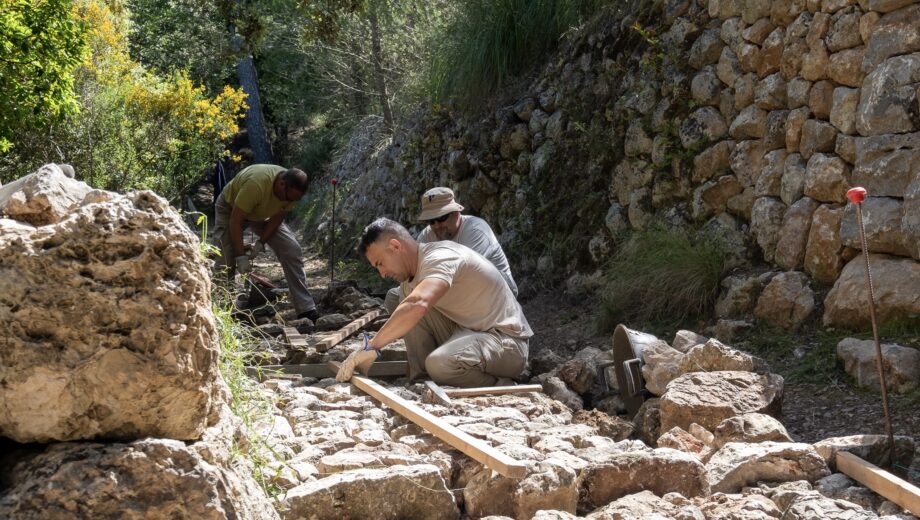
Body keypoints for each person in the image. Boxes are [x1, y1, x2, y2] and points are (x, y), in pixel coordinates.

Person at [336, 218, 531, 387]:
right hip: (469, 333)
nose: (382, 273)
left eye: (380, 263)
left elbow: (418, 303)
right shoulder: (409, 281)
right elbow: (411, 309)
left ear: (395, 246)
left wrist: (372, 347)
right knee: (405, 305)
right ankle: (422, 379)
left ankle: (499, 384)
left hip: (507, 343)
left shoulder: (440, 256)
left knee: (439, 361)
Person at [211, 163, 320, 321]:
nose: (290, 202)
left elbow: (278, 217)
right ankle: (221, 314)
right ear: (282, 183)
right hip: (230, 209)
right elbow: (236, 221)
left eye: (294, 200)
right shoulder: (256, 184)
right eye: (288, 198)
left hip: (262, 213)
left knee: (292, 249)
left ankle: (305, 308)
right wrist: (240, 256)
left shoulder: (292, 192)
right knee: (225, 261)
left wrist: (262, 242)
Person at [383, 187, 518, 313]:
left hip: (494, 291)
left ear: (456, 213)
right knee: (394, 297)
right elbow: (414, 271)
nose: (436, 226)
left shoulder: (475, 230)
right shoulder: (428, 235)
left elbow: (469, 276)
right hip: (451, 289)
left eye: (441, 218)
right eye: (431, 221)